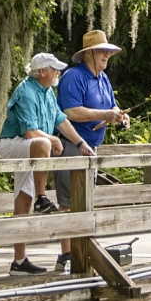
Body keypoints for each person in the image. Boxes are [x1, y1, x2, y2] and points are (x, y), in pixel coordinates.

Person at [0, 52, 91, 274]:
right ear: (42, 72)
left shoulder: (48, 92)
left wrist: (81, 144)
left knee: (23, 198)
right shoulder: (27, 91)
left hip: (30, 146)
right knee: (43, 143)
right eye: (54, 68)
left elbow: (61, 120)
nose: (58, 72)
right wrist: (53, 139)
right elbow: (30, 133)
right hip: (12, 143)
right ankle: (42, 198)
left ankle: (19, 263)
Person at [51, 30, 130, 272]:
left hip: (92, 149)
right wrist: (105, 115)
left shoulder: (103, 78)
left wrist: (119, 116)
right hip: (71, 146)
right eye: (103, 51)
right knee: (68, 203)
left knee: (86, 202)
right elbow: (71, 112)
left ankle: (82, 251)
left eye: (109, 51)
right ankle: (66, 255)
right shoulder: (73, 77)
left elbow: (111, 105)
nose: (107, 55)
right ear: (89, 54)